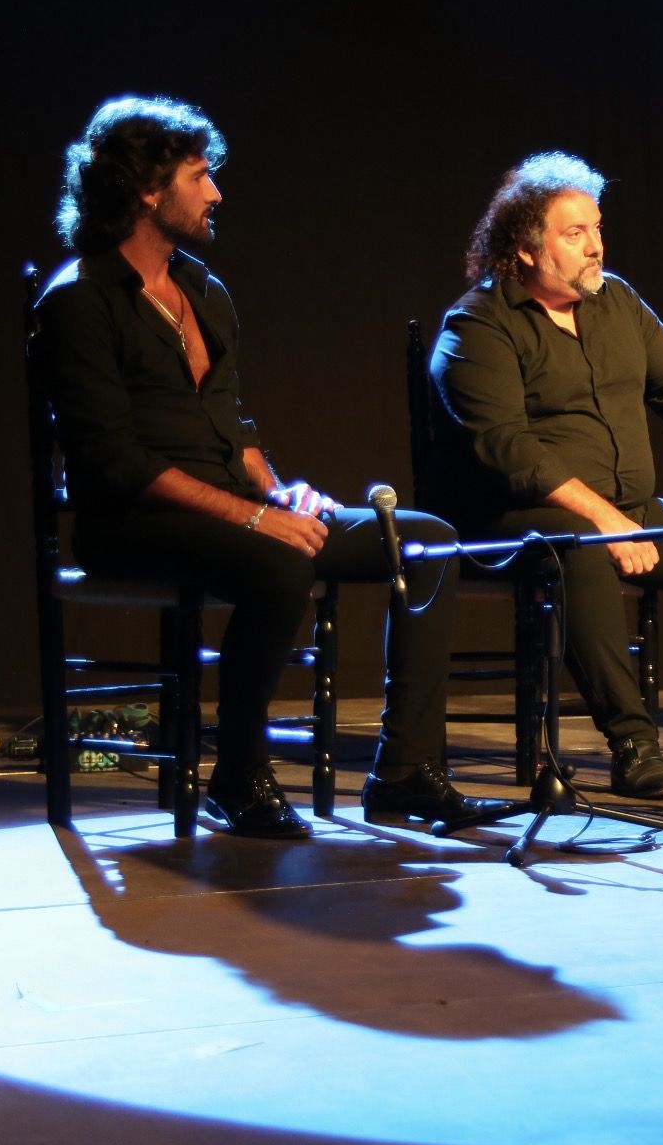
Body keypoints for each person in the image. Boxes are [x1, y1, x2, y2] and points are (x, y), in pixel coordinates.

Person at [34, 96, 506, 838]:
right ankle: (238, 772)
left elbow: (234, 428)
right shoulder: (78, 300)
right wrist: (258, 519)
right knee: (279, 563)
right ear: (148, 189)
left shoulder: (202, 290)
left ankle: (405, 773)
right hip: (131, 522)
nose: (216, 192)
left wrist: (279, 491)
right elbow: (114, 461)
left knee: (427, 542)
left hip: (228, 509)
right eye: (200, 175)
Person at [429, 153, 663, 800]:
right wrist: (604, 521)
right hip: (516, 519)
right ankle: (632, 743)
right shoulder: (478, 324)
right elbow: (509, 450)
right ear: (527, 248)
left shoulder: (619, 302)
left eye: (597, 229)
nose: (596, 247)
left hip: (627, 508)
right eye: (575, 233)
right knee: (579, 551)